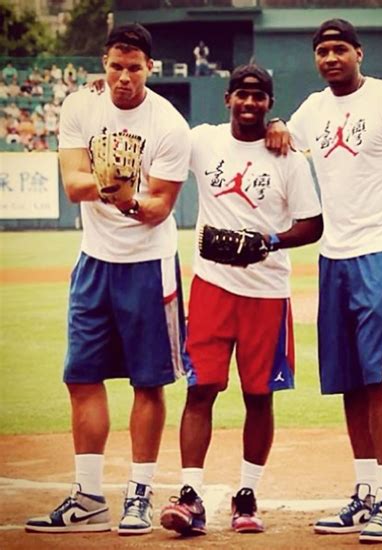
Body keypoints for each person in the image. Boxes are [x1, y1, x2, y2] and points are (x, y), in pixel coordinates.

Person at [266, 19, 382, 544]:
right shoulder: (313, 110)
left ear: (359, 53)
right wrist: (276, 121)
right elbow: (277, 136)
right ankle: (365, 491)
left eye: (340, 48)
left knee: (379, 376)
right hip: (335, 256)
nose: (330, 57)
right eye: (322, 51)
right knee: (347, 379)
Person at [25, 23, 191, 536]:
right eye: (116, 66)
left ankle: (139, 495)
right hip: (95, 260)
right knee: (81, 375)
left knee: (148, 381)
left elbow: (160, 207)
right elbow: (72, 183)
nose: (123, 77)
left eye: (134, 68)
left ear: (150, 69)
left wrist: (128, 198)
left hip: (149, 264)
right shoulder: (80, 107)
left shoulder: (168, 123)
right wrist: (108, 184)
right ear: (105, 63)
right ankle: (89, 495)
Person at [159, 64, 323, 536]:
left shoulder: (289, 158)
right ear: (227, 98)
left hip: (266, 293)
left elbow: (312, 224)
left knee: (259, 395)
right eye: (242, 95)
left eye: (259, 97)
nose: (250, 103)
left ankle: (246, 494)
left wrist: (268, 241)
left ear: (270, 104)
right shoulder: (203, 140)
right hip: (212, 287)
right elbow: (162, 131)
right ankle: (189, 495)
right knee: (201, 389)